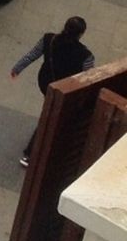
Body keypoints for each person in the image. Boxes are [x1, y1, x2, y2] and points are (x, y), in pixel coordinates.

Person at [11, 16, 94, 166]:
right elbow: (88, 79)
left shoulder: (49, 39)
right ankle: (29, 154)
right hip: (66, 90)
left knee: (51, 112)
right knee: (49, 118)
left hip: (46, 84)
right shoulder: (86, 56)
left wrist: (17, 68)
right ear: (81, 34)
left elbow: (31, 55)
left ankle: (34, 151)